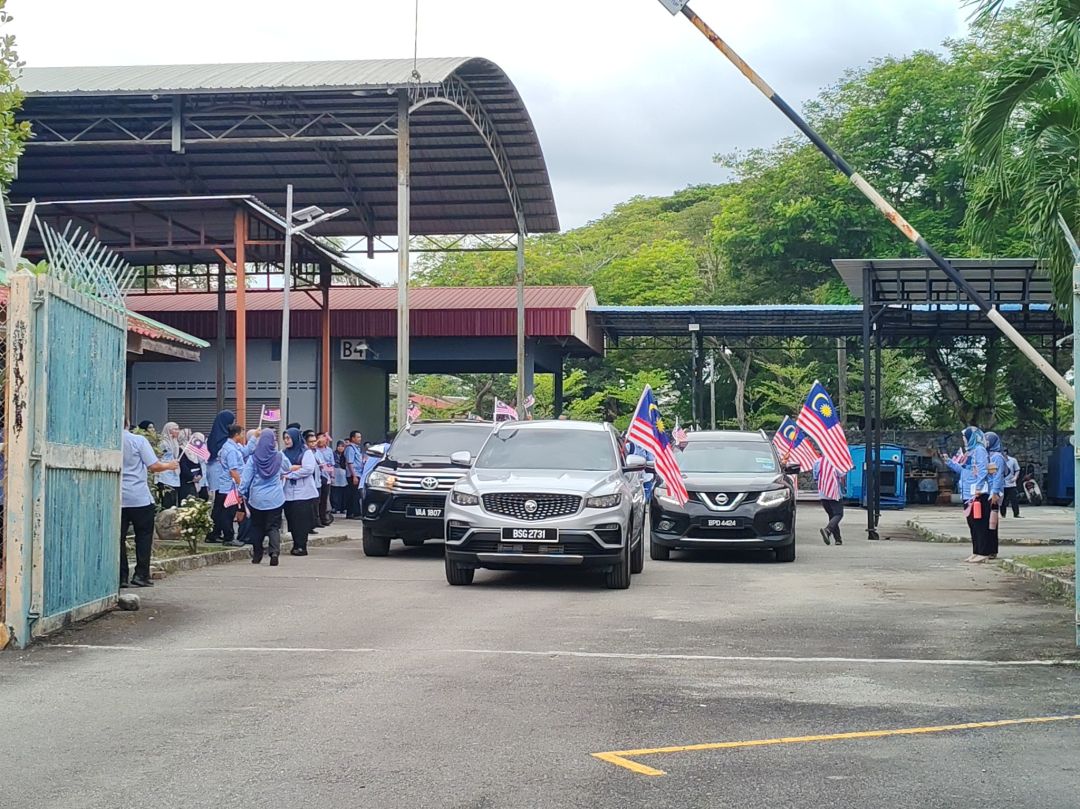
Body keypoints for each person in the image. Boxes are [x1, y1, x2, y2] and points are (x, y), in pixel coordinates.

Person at [121, 428, 179, 588]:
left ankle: (121, 577)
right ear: (127, 423)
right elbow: (154, 466)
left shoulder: (107, 439)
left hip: (117, 496)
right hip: (138, 496)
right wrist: (170, 465)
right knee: (144, 536)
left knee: (118, 539)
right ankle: (141, 575)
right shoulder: (138, 440)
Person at [239, 430, 291, 566]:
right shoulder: (279, 456)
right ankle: (274, 553)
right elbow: (288, 468)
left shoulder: (253, 458)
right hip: (275, 499)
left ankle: (257, 555)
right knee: (273, 527)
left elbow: (245, 479)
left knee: (257, 527)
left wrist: (241, 492)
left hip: (257, 499)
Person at [944, 426, 990, 562]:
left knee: (980, 524)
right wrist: (949, 462)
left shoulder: (980, 451)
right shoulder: (969, 453)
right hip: (967, 493)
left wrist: (979, 487)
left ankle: (983, 552)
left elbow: (982, 470)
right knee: (972, 524)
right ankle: (976, 551)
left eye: (965, 437)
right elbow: (963, 471)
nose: (963, 440)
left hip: (977, 493)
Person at [208, 414, 246, 547]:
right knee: (228, 513)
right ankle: (228, 537)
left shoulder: (230, 446)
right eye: (242, 433)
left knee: (221, 511)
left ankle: (215, 534)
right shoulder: (230, 450)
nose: (243, 436)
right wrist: (242, 485)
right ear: (236, 434)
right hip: (229, 486)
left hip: (224, 485)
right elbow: (233, 471)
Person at [282, 427, 318, 556]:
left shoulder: (306, 452)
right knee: (291, 519)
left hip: (303, 493)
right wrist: (294, 468)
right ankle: (295, 544)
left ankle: (301, 546)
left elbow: (308, 469)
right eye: (285, 438)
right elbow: (281, 469)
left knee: (301, 521)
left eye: (289, 438)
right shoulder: (283, 453)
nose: (286, 441)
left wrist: (291, 474)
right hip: (287, 493)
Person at [812, 457, 845, 546]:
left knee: (832, 515)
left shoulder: (817, 462)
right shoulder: (836, 461)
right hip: (834, 493)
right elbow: (842, 476)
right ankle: (828, 530)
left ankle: (838, 539)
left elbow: (815, 477)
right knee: (838, 514)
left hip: (823, 493)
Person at [985, 432, 1007, 560]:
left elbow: (998, 476)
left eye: (988, 440)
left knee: (992, 523)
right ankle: (988, 548)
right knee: (986, 522)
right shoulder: (987, 456)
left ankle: (992, 550)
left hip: (993, 493)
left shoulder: (997, 457)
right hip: (987, 491)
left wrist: (995, 492)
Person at [156, 421, 182, 508]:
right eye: (175, 429)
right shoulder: (163, 443)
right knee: (167, 499)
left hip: (174, 472)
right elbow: (158, 456)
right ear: (169, 430)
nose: (178, 431)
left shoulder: (175, 442)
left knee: (174, 499)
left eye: (178, 429)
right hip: (164, 472)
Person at [315, 433, 335, 526]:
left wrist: (332, 476)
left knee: (324, 499)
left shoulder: (329, 450)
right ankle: (316, 519)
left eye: (322, 438)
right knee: (317, 499)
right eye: (319, 438)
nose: (321, 440)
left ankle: (324, 518)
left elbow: (332, 464)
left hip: (326, 477)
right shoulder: (314, 450)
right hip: (317, 477)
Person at [344, 430, 364, 519]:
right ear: (353, 438)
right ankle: (354, 513)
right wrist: (354, 476)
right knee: (354, 494)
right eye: (358, 437)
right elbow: (350, 462)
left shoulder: (357, 448)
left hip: (358, 473)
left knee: (355, 494)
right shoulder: (350, 448)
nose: (360, 439)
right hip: (353, 474)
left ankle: (353, 512)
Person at [1001, 451, 1022, 518]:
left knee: (1014, 499)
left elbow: (1017, 470)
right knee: (1003, 500)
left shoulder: (1013, 460)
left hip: (1011, 483)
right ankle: (1003, 514)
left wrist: (1015, 477)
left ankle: (1016, 514)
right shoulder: (999, 460)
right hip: (1002, 484)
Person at [331, 440, 348, 514]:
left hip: (344, 475)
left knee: (343, 492)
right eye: (339, 446)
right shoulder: (333, 454)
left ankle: (343, 507)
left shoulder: (346, 455)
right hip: (335, 473)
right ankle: (335, 507)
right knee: (335, 491)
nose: (340, 448)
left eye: (342, 446)